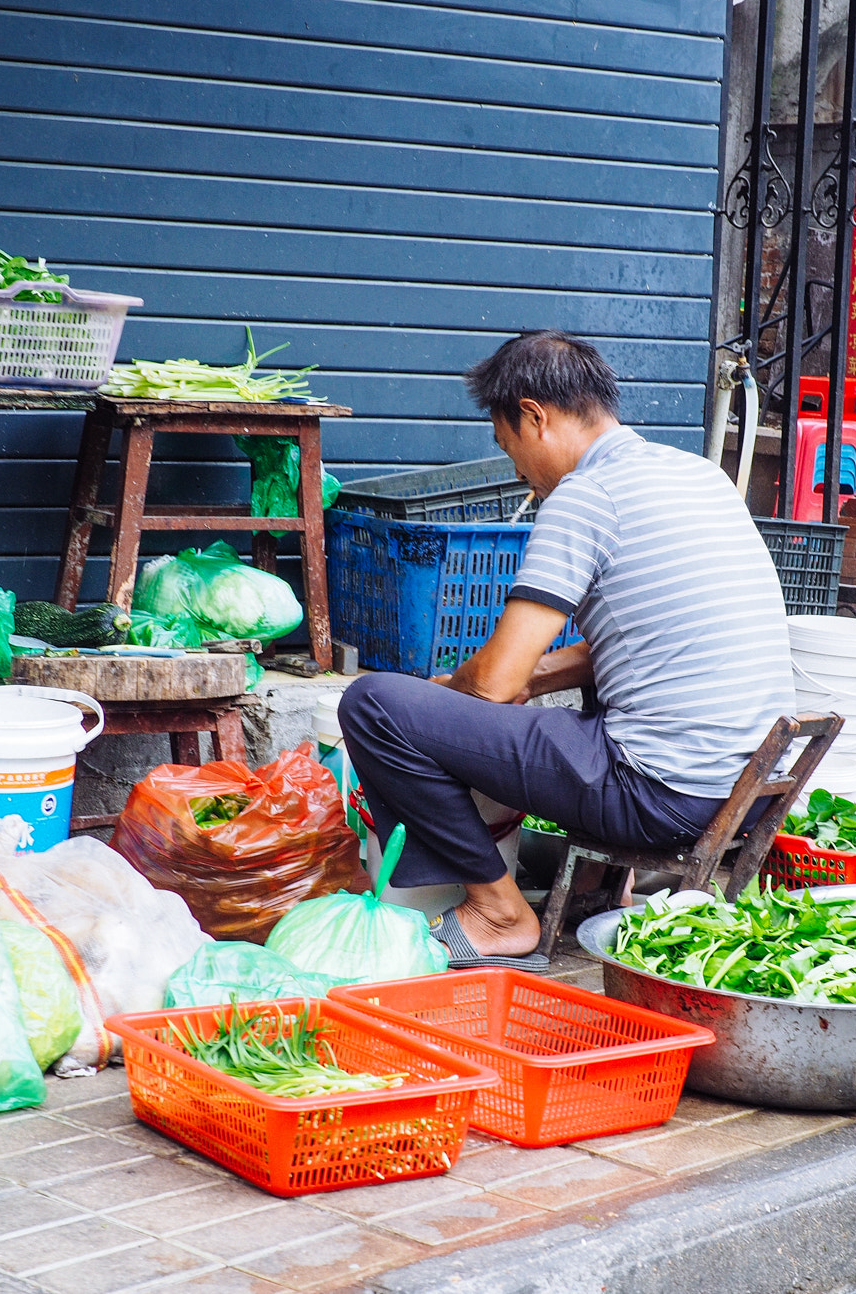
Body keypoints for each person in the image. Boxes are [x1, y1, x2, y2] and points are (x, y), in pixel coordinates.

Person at [337, 330, 796, 969]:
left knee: (374, 704)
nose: (520, 475)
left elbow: (493, 684)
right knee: (537, 708)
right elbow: (656, 639)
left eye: (510, 449)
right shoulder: (698, 476)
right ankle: (599, 886)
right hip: (747, 790)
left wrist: (444, 696)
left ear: (534, 416)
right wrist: (539, 676)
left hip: (658, 795)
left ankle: (499, 913)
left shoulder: (586, 496)